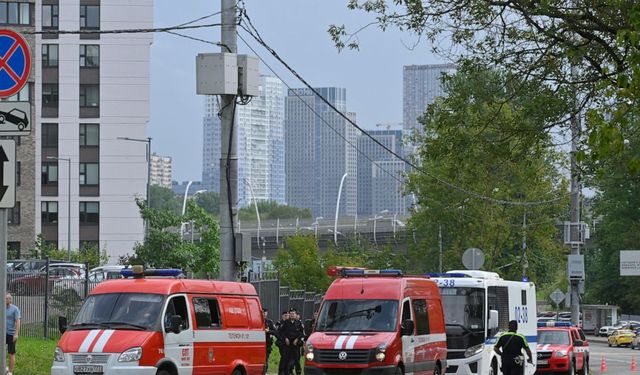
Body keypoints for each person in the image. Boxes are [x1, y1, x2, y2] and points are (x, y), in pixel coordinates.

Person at [277, 309, 303, 375]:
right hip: (287, 344)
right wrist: (285, 338)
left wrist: (297, 339)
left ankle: (298, 372)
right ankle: (286, 372)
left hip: (295, 344)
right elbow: (281, 332)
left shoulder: (298, 323)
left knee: (296, 359)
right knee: (286, 358)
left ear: (295, 314)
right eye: (291, 314)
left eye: (293, 314)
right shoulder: (286, 323)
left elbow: (301, 333)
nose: (292, 315)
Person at [5, 294, 20, 375]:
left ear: (11, 300)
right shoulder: (1, 308)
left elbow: (18, 322)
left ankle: (10, 372)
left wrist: (16, 334)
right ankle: (3, 367)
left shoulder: (15, 309)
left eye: (9, 298)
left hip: (11, 334)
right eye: (6, 298)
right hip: (2, 334)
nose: (7, 300)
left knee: (11, 353)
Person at [263, 308, 276, 375]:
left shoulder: (269, 322)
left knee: (266, 359)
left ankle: (265, 371)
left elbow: (275, 332)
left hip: (267, 343)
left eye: (265, 313)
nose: (263, 314)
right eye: (262, 313)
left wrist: (269, 331)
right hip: (259, 343)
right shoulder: (257, 320)